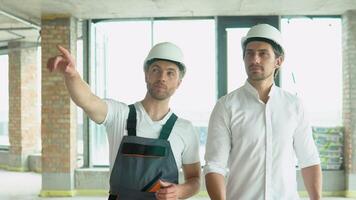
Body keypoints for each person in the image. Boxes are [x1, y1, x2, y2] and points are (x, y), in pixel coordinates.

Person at [47, 42, 201, 200]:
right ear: (146, 74)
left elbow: (195, 179)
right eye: (156, 70)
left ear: (179, 83)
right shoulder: (119, 115)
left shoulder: (185, 129)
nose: (162, 78)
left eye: (170, 73)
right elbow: (87, 100)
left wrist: (181, 191)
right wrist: (72, 75)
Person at [204, 24, 322, 200]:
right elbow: (214, 166)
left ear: (278, 61)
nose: (255, 59)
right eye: (249, 53)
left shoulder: (294, 106)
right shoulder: (226, 106)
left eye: (263, 53)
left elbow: (309, 160)